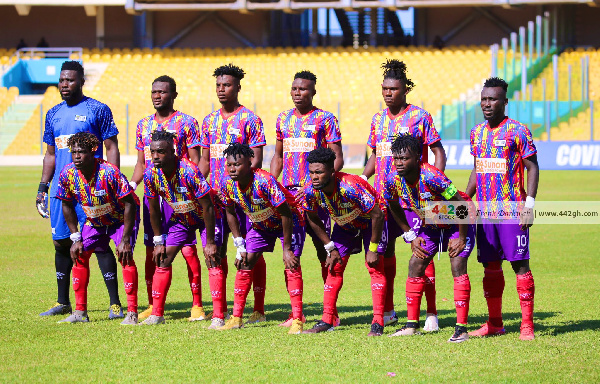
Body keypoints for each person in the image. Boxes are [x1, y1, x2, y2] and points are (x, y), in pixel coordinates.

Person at [362, 59, 447, 331]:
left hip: (415, 199)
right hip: (385, 200)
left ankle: (431, 314)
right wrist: (364, 178)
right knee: (383, 254)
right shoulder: (377, 119)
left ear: (405, 91)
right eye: (384, 89)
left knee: (423, 253)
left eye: (393, 89)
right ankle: (387, 312)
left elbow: (438, 152)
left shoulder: (420, 116)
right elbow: (375, 156)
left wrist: (434, 184)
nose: (388, 93)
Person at [36, 60, 123, 319]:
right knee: (61, 243)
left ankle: (115, 304)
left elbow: (112, 146)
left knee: (98, 245)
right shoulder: (52, 113)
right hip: (62, 191)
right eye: (62, 80)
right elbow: (50, 155)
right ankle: (63, 302)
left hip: (92, 191)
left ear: (82, 81)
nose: (65, 84)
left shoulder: (98, 109)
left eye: (71, 80)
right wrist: (42, 187)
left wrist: (113, 182)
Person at [465, 77, 538, 341]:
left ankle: (526, 325)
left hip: (512, 210)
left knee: (520, 265)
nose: (486, 104)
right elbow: (478, 168)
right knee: (490, 267)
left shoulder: (518, 131)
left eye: (492, 99)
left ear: (505, 102)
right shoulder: (476, 133)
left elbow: (532, 167)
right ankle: (495, 323)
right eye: (484, 99)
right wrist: (465, 198)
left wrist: (529, 204)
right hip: (485, 215)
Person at [129, 75, 207, 322]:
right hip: (154, 195)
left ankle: (197, 304)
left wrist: (192, 192)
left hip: (181, 198)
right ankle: (155, 304)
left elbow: (196, 161)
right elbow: (142, 163)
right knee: (153, 249)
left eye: (162, 92)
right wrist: (132, 185)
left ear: (173, 94)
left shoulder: (187, 122)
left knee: (187, 250)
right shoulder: (143, 125)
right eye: (154, 92)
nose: (157, 96)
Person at [269, 70, 344, 327]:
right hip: (289, 198)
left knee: (326, 252)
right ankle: (296, 314)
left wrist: (313, 187)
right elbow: (278, 156)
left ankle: (330, 314)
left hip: (316, 197)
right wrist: (272, 183)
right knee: (291, 252)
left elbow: (337, 158)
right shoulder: (283, 119)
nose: (297, 93)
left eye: (303, 89)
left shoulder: (326, 119)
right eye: (294, 89)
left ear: (313, 91)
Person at [384, 134, 474, 342]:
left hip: (457, 220)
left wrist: (461, 237)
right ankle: (411, 325)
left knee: (457, 264)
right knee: (415, 263)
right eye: (396, 158)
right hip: (432, 223)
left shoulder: (433, 176)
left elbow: (461, 203)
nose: (399, 163)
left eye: (404, 158)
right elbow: (393, 204)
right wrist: (409, 233)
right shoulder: (392, 180)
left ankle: (461, 329)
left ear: (417, 157)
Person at [199, 64, 267, 327]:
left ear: (238, 87)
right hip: (215, 201)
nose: (221, 89)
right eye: (218, 85)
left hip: (243, 200)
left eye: (226, 85)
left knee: (251, 252)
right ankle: (219, 313)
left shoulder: (250, 119)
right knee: (215, 252)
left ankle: (257, 310)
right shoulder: (209, 121)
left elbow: (257, 158)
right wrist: (199, 185)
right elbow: (205, 160)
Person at [218, 143, 305, 335]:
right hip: (260, 225)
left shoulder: (264, 181)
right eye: (229, 165)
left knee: (291, 265)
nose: (233, 169)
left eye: (238, 165)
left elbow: (286, 214)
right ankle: (237, 318)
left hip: (289, 222)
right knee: (244, 263)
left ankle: (298, 319)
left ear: (249, 163)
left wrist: (287, 249)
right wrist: (239, 244)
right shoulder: (226, 184)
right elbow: (230, 212)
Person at [302, 147, 388, 336]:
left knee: (374, 267)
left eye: (319, 172)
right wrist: (329, 247)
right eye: (311, 173)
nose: (314, 177)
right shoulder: (311, 191)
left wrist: (372, 248)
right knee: (334, 267)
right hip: (344, 225)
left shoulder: (350, 186)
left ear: (332, 171)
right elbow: (312, 218)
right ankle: (327, 320)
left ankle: (378, 321)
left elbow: (378, 215)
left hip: (370, 223)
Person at [55, 132, 139, 324]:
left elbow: (129, 204)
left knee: (125, 257)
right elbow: (66, 205)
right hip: (94, 220)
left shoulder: (109, 172)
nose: (77, 156)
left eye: (82, 152)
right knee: (79, 256)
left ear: (92, 151)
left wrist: (125, 239)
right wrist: (75, 237)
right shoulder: (67, 173)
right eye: (74, 152)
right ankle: (80, 312)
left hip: (120, 219)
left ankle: (132, 312)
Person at [141, 131, 220, 325]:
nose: (155, 156)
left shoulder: (189, 170)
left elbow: (208, 206)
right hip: (180, 219)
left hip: (204, 218)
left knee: (212, 259)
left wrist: (209, 242)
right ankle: (157, 315)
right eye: (152, 152)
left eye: (160, 152)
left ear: (173, 151)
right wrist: (158, 241)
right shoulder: (151, 174)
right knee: (163, 259)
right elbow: (153, 211)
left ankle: (218, 316)